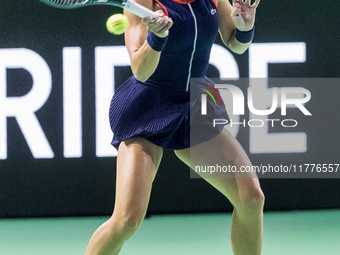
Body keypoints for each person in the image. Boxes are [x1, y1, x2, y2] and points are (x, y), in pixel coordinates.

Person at [85, 0, 264, 254]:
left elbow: (236, 43)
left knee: (251, 198)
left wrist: (245, 27)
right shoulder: (143, 2)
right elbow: (140, 70)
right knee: (127, 221)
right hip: (149, 108)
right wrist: (157, 38)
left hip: (193, 106)